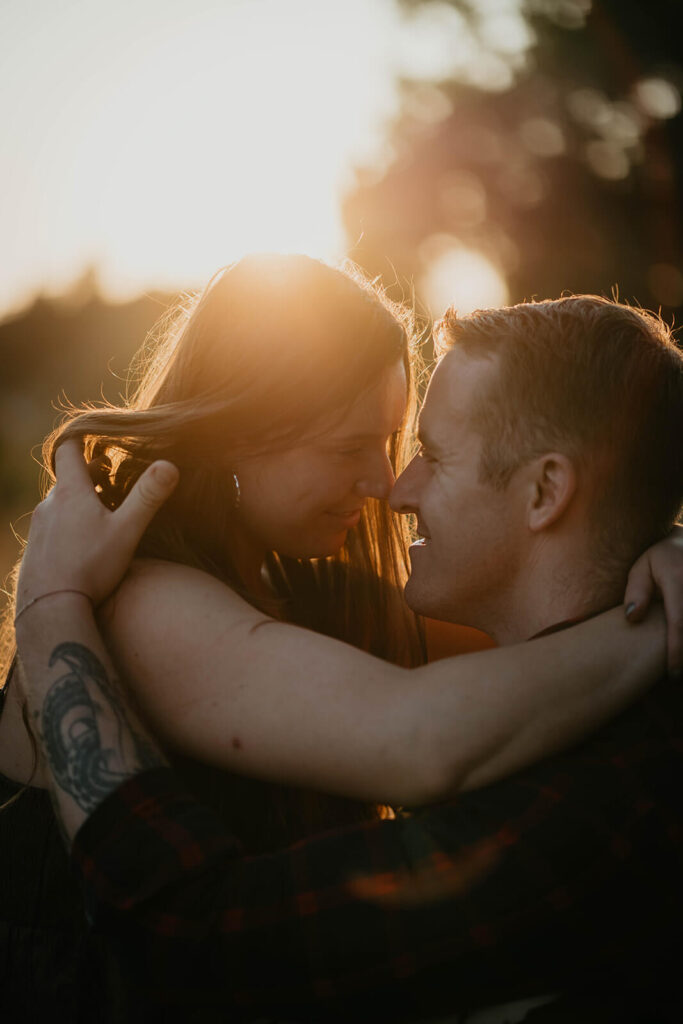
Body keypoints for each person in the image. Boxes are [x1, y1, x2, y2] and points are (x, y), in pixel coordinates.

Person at [12, 294, 683, 1021]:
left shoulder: (319, 595)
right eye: (347, 448)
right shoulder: (140, 603)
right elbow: (421, 729)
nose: (387, 485)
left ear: (546, 489)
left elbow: (525, 645)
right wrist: (49, 601)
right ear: (239, 435)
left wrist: (662, 549)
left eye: (408, 447)